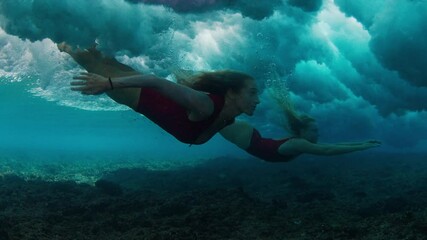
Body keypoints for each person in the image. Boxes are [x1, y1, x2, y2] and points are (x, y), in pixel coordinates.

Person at [58, 43, 381, 162]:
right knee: (91, 63)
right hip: (139, 95)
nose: (258, 99)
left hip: (164, 104)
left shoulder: (226, 118)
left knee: (103, 56)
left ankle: (84, 43)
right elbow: (156, 82)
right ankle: (65, 43)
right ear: (233, 94)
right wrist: (108, 84)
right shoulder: (207, 105)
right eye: (252, 92)